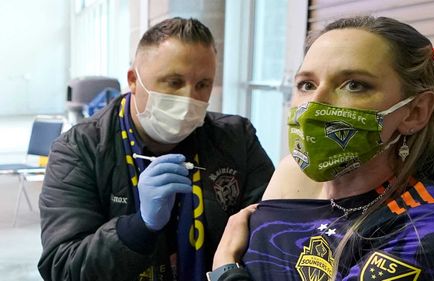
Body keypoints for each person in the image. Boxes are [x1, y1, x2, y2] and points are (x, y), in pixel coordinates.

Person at [208, 16, 434, 281]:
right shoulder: (294, 175)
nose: (315, 104)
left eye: (354, 85)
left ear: (415, 112)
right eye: (307, 85)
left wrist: (225, 270)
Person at [38, 17, 274, 281]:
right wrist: (138, 228)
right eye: (173, 82)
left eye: (202, 85)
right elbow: (63, 267)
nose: (188, 99)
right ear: (133, 80)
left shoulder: (237, 139)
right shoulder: (80, 149)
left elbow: (271, 231)